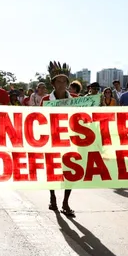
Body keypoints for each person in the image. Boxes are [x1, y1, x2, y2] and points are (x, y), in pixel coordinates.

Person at [42, 61, 75, 217]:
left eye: (64, 81)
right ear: (53, 83)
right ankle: (53, 197)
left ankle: (66, 202)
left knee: (71, 171)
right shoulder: (46, 100)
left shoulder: (76, 99)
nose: (62, 84)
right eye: (58, 81)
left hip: (71, 141)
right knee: (52, 171)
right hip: (52, 141)